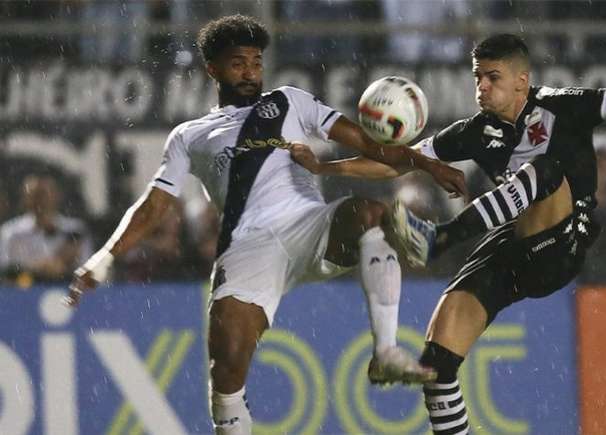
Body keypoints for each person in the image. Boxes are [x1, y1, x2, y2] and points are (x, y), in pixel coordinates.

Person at [289, 33, 606, 434]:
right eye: (478, 77)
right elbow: (398, 162)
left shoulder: (562, 105)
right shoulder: (476, 132)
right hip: (512, 244)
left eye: (493, 78)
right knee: (436, 367)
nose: (482, 88)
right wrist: (327, 168)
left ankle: (440, 238)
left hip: (563, 242)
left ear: (522, 82)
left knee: (546, 169)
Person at [64, 15, 467, 435]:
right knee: (227, 370)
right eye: (238, 63)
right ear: (213, 69)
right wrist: (105, 258)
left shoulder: (290, 101)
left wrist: (427, 165)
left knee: (370, 214)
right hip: (248, 247)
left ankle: (385, 352)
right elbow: (154, 204)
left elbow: (373, 145)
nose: (250, 72)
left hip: (310, 225)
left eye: (256, 62)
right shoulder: (189, 135)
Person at [0, 174, 91, 286]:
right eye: (33, 195)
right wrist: (40, 268)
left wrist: (60, 269)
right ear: (25, 198)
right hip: (23, 295)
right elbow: (5, 272)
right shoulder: (11, 232)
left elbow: (87, 271)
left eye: (43, 194)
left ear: (56, 195)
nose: (39, 201)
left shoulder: (75, 230)